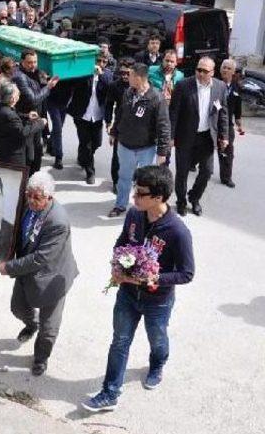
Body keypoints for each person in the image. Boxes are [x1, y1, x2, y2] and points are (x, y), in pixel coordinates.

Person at [82, 166, 194, 413]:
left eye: (140, 193)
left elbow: (187, 273)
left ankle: (158, 362)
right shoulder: (134, 215)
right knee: (119, 341)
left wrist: (154, 278)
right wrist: (117, 265)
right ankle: (110, 392)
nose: (134, 196)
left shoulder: (177, 231)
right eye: (135, 190)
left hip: (158, 301)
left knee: (157, 338)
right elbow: (122, 243)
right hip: (128, 295)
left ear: (158, 197)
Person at [0, 171, 78, 376]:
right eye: (29, 195)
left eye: (37, 197)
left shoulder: (57, 221)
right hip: (27, 272)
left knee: (49, 329)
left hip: (52, 278)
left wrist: (9, 267)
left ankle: (41, 358)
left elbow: (41, 258)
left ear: (49, 197)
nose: (31, 200)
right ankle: (33, 324)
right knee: (18, 308)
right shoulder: (26, 205)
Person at [169, 56, 229, 216]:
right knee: (182, 172)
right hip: (185, 135)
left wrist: (224, 135)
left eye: (205, 71)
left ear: (212, 72)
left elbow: (223, 113)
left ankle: (194, 198)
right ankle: (181, 201)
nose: (201, 73)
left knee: (207, 171)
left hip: (207, 137)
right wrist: (170, 136)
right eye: (198, 70)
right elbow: (173, 113)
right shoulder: (183, 85)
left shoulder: (220, 87)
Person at [108, 63, 170, 217]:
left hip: (146, 148)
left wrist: (162, 152)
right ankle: (120, 205)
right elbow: (120, 113)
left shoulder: (156, 98)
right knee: (124, 178)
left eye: (130, 75)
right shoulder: (128, 92)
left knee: (145, 181)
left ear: (139, 78)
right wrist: (114, 131)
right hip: (125, 145)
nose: (127, 78)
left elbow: (163, 126)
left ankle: (144, 208)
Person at [67, 53, 113, 184]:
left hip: (97, 117)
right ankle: (90, 172)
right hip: (82, 115)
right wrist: (89, 72)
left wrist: (101, 75)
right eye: (98, 60)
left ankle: (83, 156)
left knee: (96, 143)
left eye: (104, 62)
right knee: (86, 144)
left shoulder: (107, 75)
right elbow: (73, 82)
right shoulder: (84, 73)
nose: (101, 64)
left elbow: (110, 88)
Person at [11, 49, 59, 174]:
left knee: (37, 152)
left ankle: (33, 179)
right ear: (22, 62)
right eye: (30, 62)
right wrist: (48, 87)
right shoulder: (20, 77)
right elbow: (33, 100)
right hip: (25, 120)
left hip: (37, 119)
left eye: (35, 62)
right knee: (29, 156)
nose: (33, 65)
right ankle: (26, 182)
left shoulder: (36, 72)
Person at [0, 82, 47, 166]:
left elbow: (13, 118)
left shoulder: (0, 107)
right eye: (18, 94)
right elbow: (23, 132)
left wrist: (27, 116)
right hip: (12, 156)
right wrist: (40, 123)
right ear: (13, 98)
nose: (19, 96)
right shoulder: (9, 114)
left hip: (1, 151)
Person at [105, 57, 134, 191]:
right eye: (122, 73)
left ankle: (130, 179)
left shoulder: (138, 86)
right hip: (119, 125)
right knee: (117, 156)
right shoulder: (114, 86)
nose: (125, 76)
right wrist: (108, 123)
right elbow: (109, 105)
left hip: (136, 127)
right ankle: (116, 182)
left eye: (128, 73)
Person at [218, 58, 243, 188]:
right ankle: (193, 163)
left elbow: (238, 107)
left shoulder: (236, 87)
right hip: (212, 122)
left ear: (233, 72)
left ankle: (226, 177)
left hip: (227, 124)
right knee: (202, 147)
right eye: (224, 67)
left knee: (228, 150)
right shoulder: (214, 84)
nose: (225, 70)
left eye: (229, 68)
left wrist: (239, 122)